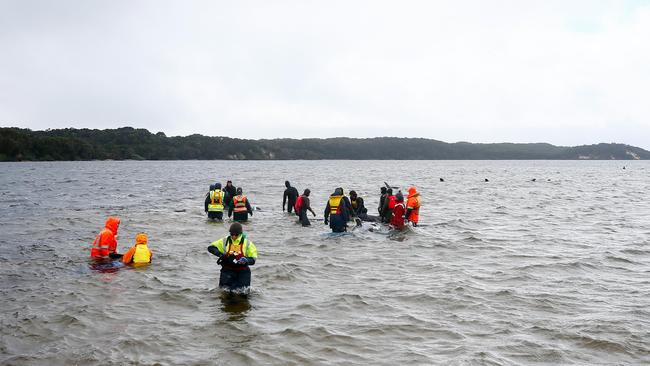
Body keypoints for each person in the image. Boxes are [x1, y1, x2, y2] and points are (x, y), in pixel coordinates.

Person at [207, 222, 258, 291]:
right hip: (227, 272)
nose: (233, 237)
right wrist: (221, 255)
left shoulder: (248, 243)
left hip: (242, 273)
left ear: (240, 234)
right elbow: (211, 247)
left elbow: (253, 259)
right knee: (224, 294)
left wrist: (246, 260)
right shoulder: (225, 241)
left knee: (242, 296)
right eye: (232, 234)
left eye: (236, 235)